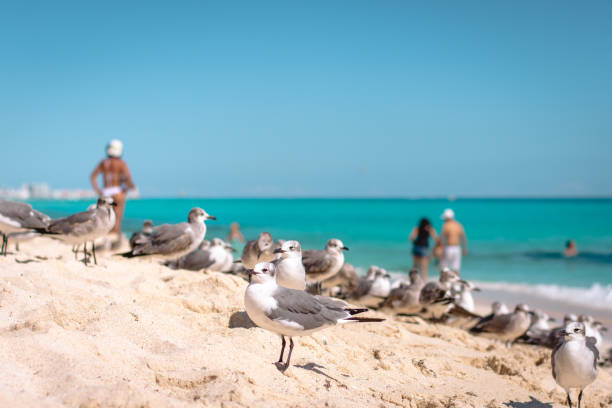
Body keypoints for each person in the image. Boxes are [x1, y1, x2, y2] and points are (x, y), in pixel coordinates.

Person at [90, 140, 135, 239]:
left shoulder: (103, 163)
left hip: (105, 192)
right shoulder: (121, 163)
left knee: (105, 216)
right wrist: (125, 191)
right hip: (117, 191)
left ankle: (106, 235)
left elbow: (93, 177)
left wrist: (98, 191)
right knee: (117, 217)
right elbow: (128, 179)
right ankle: (115, 235)